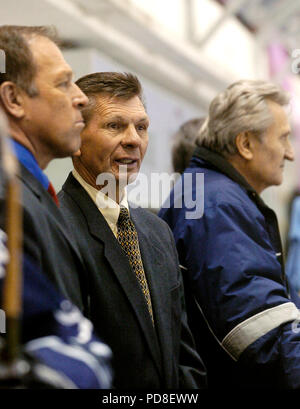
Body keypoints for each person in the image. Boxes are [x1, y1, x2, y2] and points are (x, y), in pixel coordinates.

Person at [58, 72, 207, 389]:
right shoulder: (56, 226)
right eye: (115, 125)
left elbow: (183, 352)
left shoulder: (158, 231)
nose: (134, 139)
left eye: (141, 127)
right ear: (76, 138)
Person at [159, 79, 300, 389]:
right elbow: (260, 331)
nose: (290, 154)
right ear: (245, 144)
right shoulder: (217, 206)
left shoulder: (212, 195)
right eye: (284, 139)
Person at [0, 107, 112, 389]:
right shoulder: (23, 205)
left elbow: (84, 346)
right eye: (114, 125)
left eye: (143, 127)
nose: (78, 98)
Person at [0, 25, 90, 313]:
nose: (81, 98)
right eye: (63, 83)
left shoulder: (25, 191)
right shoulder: (8, 199)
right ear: (14, 99)